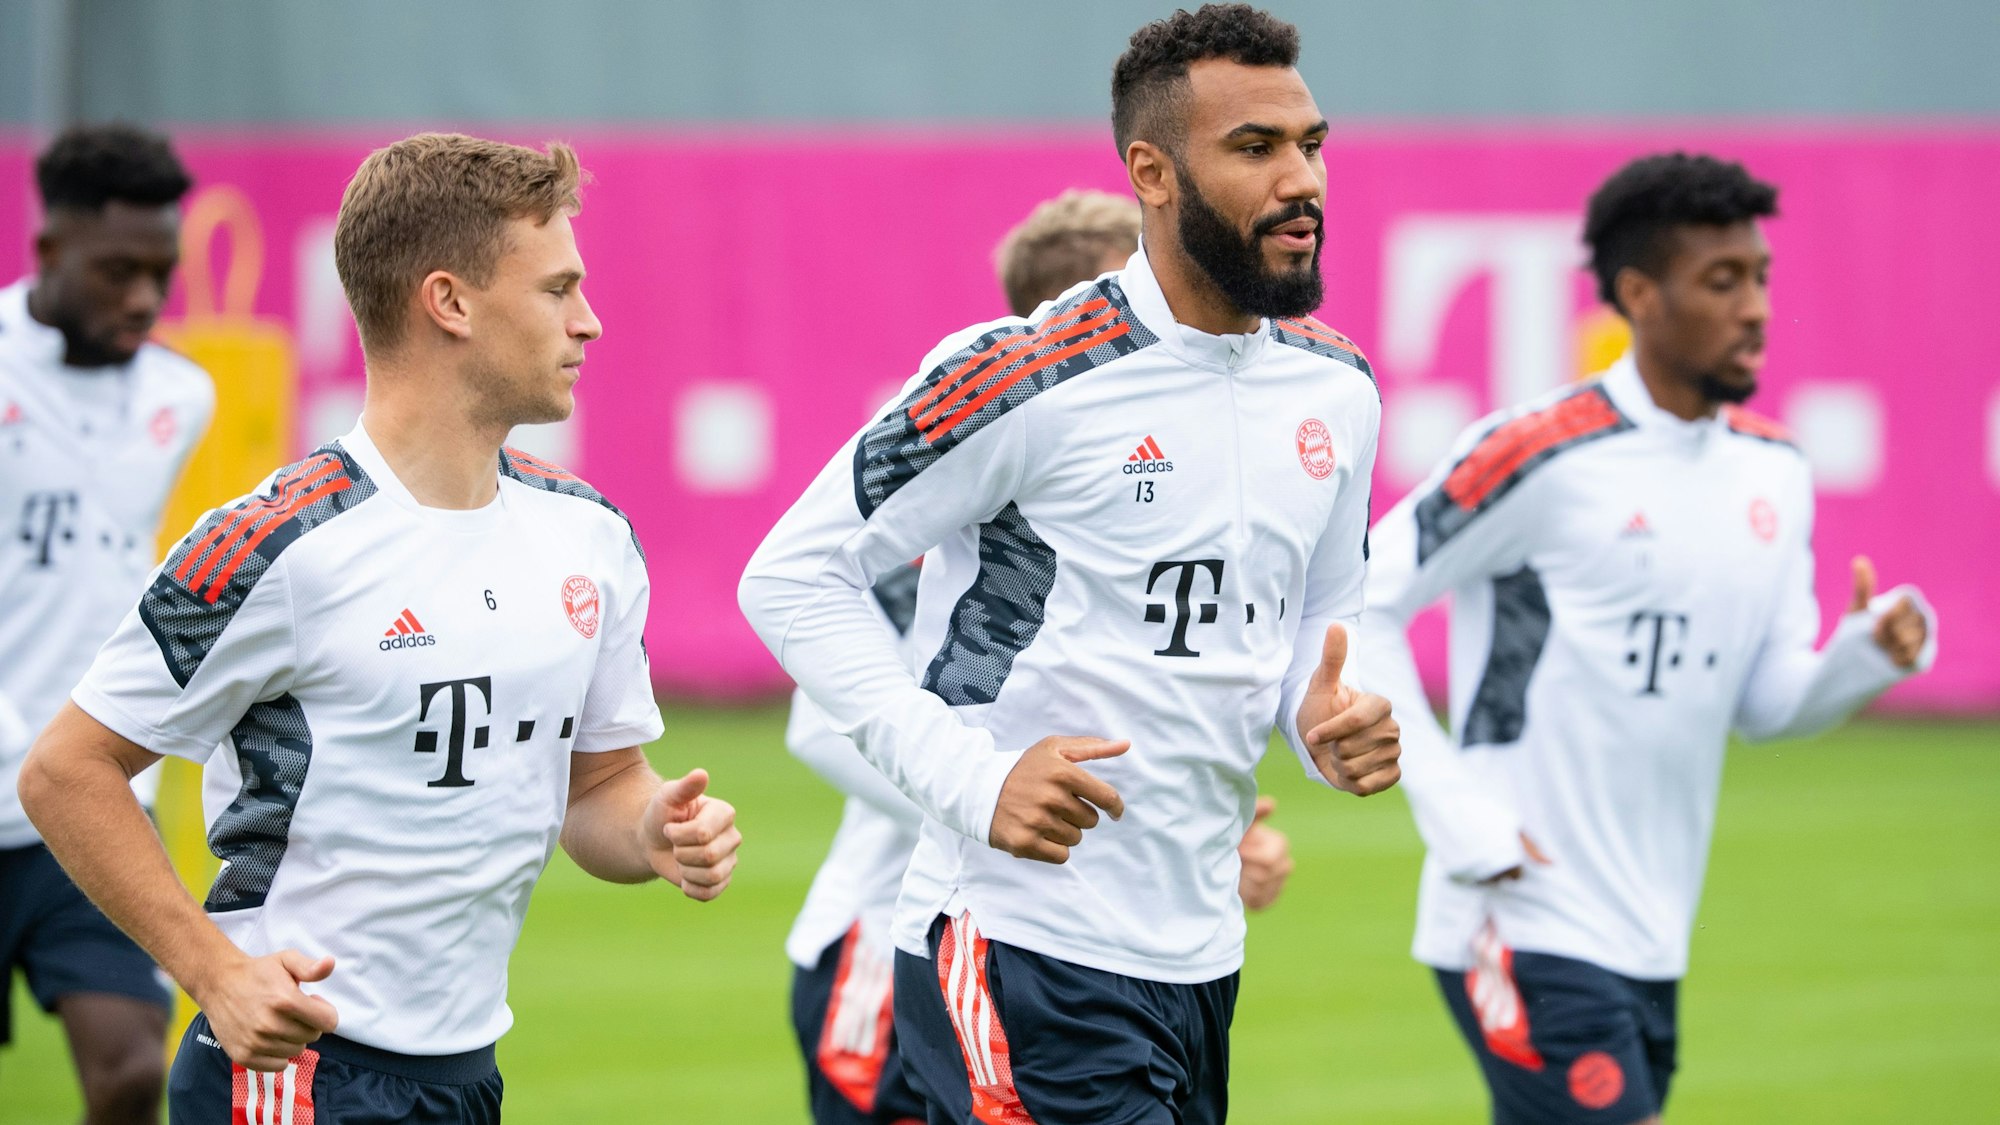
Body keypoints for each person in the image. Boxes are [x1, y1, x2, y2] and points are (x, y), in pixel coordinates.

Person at [742, 6, 1400, 1121]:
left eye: (1311, 143)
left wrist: (1323, 713)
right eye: (1255, 148)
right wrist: (973, 779)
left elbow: (1321, 616)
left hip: (1200, 959)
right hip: (1016, 946)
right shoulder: (1025, 374)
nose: (1302, 180)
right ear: (1151, 170)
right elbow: (791, 575)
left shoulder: (1335, 386)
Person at [18, 133, 742, 1124]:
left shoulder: (592, 538)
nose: (590, 322)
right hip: (296, 1076)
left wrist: (656, 830)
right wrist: (216, 975)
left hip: (467, 1075)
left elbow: (602, 789)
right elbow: (65, 770)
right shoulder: (277, 545)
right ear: (447, 302)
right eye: (556, 289)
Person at [1357, 152, 1936, 1125]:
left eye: (1758, 278)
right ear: (1637, 295)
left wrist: (1862, 657)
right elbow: (1354, 601)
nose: (1752, 307)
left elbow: (1764, 705)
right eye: (1720, 281)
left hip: (1651, 936)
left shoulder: (1773, 469)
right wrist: (1454, 810)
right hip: (1519, 916)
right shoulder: (1535, 452)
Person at [785, 187, 1296, 1125]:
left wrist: (1194, 831)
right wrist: (983, 792)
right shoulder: (952, 531)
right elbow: (816, 720)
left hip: (1108, 944)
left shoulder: (1156, 505)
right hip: (908, 934)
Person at [0, 123, 210, 1125]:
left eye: (158, 274)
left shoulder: (183, 394)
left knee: (132, 1072)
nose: (140, 298)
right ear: (49, 253)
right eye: (116, 271)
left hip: (89, 805)